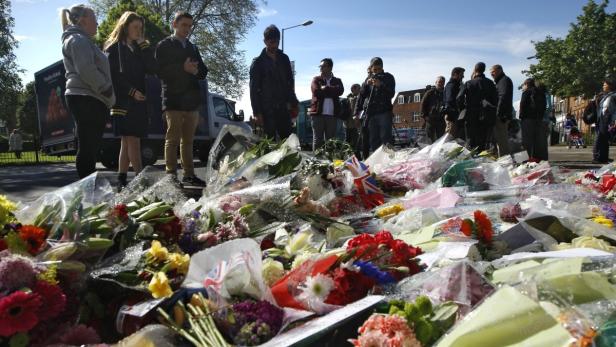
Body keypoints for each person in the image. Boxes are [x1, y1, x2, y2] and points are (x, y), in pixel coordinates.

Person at [61, 4, 115, 179]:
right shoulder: (78, 40)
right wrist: (106, 89)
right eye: (94, 19)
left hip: (88, 97)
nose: (98, 24)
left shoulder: (82, 40)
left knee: (89, 147)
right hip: (86, 98)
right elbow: (86, 70)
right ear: (83, 20)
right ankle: (86, 190)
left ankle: (87, 188)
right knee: (87, 147)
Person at [104, 11, 158, 188]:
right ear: (125, 26)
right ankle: (140, 178)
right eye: (135, 27)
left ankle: (121, 179)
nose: (138, 31)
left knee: (126, 141)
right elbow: (114, 77)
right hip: (124, 101)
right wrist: (131, 91)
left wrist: (144, 46)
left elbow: (152, 68)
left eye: (140, 28)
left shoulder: (138, 49)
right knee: (133, 140)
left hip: (139, 100)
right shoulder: (114, 48)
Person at [155, 11, 208, 186]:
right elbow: (160, 71)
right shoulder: (164, 45)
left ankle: (189, 175)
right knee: (172, 140)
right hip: (173, 100)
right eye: (184, 25)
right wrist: (182, 68)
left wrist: (196, 71)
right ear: (174, 24)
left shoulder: (193, 47)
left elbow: (203, 72)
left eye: (189, 26)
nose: (187, 29)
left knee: (188, 141)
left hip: (191, 102)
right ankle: (171, 176)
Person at [249, 25, 298, 141]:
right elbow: (253, 90)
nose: (274, 45)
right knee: (267, 145)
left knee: (288, 144)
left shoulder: (284, 59)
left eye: (276, 42)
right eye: (271, 42)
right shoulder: (258, 63)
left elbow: (290, 83)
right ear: (265, 41)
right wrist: (257, 112)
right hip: (266, 110)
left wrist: (294, 102)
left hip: (283, 109)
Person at [356, 57, 396, 152]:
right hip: (371, 113)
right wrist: (366, 85)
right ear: (371, 69)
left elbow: (391, 94)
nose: (377, 72)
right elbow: (361, 96)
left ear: (382, 68)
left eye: (379, 69)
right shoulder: (368, 79)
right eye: (374, 70)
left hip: (384, 112)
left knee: (385, 137)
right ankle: (376, 161)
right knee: (374, 139)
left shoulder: (388, 77)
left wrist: (381, 85)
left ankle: (388, 159)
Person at [456, 62, 497, 151]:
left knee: (470, 140)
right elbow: (495, 100)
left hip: (471, 114)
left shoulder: (468, 83)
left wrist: (463, 108)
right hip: (486, 115)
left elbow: (459, 98)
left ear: (475, 70)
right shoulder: (490, 83)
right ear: (484, 70)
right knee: (484, 140)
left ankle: (472, 160)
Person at [308, 58, 344, 151]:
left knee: (330, 141)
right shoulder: (316, 79)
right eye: (320, 66)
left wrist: (325, 88)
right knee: (317, 141)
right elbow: (316, 91)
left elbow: (340, 91)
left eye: (323, 66)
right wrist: (332, 91)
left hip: (332, 115)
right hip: (318, 115)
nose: (321, 68)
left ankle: (329, 163)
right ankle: (316, 163)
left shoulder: (338, 80)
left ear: (330, 67)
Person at [519, 78, 548, 161]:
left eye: (523, 85)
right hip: (539, 120)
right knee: (539, 142)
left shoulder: (526, 92)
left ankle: (525, 161)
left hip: (527, 119)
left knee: (526, 142)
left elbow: (523, 105)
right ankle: (540, 160)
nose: (523, 87)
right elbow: (544, 106)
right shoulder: (541, 93)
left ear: (526, 84)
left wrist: (521, 117)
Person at [490, 64, 513, 157]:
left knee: (502, 140)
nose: (492, 74)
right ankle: (503, 160)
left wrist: (498, 113)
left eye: (493, 72)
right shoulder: (501, 81)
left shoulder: (503, 81)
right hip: (503, 114)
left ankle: (504, 162)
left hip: (502, 115)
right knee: (500, 140)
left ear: (500, 70)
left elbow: (502, 97)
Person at [593, 76, 616, 164]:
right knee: (602, 138)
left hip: (607, 119)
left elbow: (614, 110)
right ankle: (602, 157)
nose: (603, 86)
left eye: (605, 84)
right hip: (601, 118)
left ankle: (598, 157)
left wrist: (614, 120)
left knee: (601, 138)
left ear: (610, 85)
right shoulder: (604, 95)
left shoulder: (614, 96)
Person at [421, 76, 446, 142]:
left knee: (440, 138)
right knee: (429, 138)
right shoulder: (429, 93)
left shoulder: (445, 93)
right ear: (436, 83)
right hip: (430, 119)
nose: (440, 84)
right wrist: (424, 116)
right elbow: (423, 104)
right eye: (439, 82)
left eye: (442, 82)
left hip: (441, 119)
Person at [443, 67, 465, 140]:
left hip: (455, 116)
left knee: (453, 138)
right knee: (449, 138)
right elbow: (450, 101)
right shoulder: (451, 85)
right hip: (452, 116)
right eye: (462, 74)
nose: (463, 76)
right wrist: (453, 114)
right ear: (455, 74)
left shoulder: (456, 85)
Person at [345, 84, 361, 155]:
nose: (360, 90)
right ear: (354, 90)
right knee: (354, 142)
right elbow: (353, 112)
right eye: (359, 88)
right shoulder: (354, 99)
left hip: (347, 124)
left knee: (348, 141)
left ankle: (348, 155)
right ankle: (356, 156)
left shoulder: (348, 98)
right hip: (353, 124)